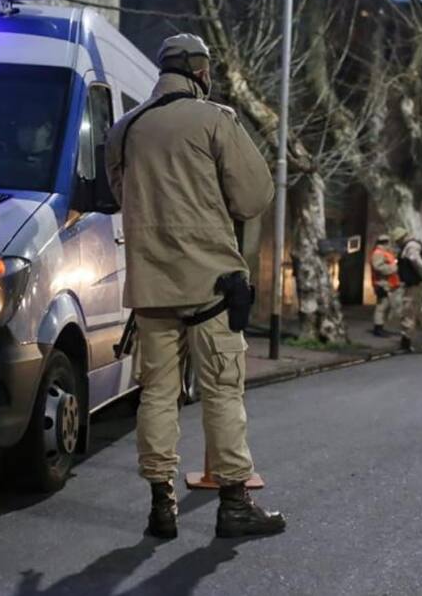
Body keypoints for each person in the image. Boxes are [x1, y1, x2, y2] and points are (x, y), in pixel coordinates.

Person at [106, 33, 286, 540]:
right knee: (223, 392)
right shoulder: (216, 120)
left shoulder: (125, 129)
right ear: (201, 71)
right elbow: (254, 196)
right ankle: (234, 503)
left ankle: (161, 504)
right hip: (212, 286)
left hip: (151, 289)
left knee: (157, 395)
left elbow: (122, 194)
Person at [369, 234, 401, 336]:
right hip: (382, 284)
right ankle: (378, 329)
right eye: (388, 243)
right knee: (381, 306)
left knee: (384, 306)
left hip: (388, 284)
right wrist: (394, 268)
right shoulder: (378, 253)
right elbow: (378, 267)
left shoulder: (384, 253)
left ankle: (380, 327)